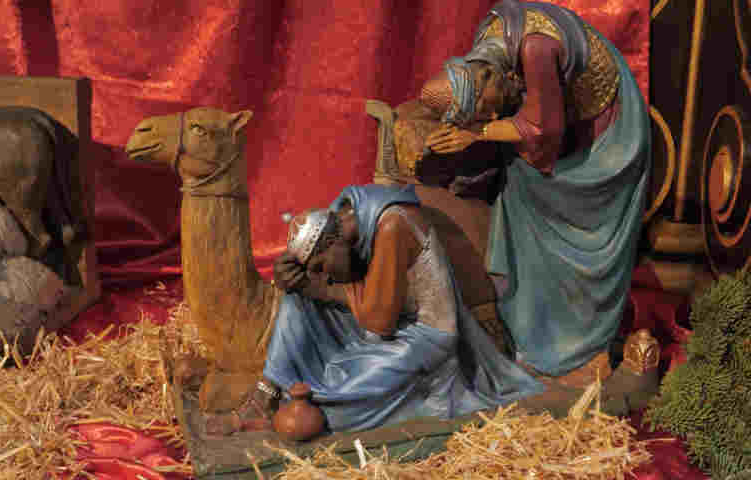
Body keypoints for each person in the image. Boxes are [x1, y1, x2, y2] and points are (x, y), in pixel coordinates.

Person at [417, 0, 650, 380]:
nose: (494, 116)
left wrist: (477, 133)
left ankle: (585, 347)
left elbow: (542, 130)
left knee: (561, 212)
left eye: (489, 108)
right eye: (485, 115)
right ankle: (531, 332)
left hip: (607, 134)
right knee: (518, 190)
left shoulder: (534, 48)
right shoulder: (488, 44)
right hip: (558, 125)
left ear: (488, 76)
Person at [205, 184, 544, 435]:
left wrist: (329, 284)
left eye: (323, 264)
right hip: (381, 317)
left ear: (335, 243)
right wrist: (298, 279)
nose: (323, 272)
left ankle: (311, 397)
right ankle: (267, 391)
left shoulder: (393, 226)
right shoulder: (343, 215)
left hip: (424, 335)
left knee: (341, 402)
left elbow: (380, 322)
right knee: (298, 299)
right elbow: (341, 285)